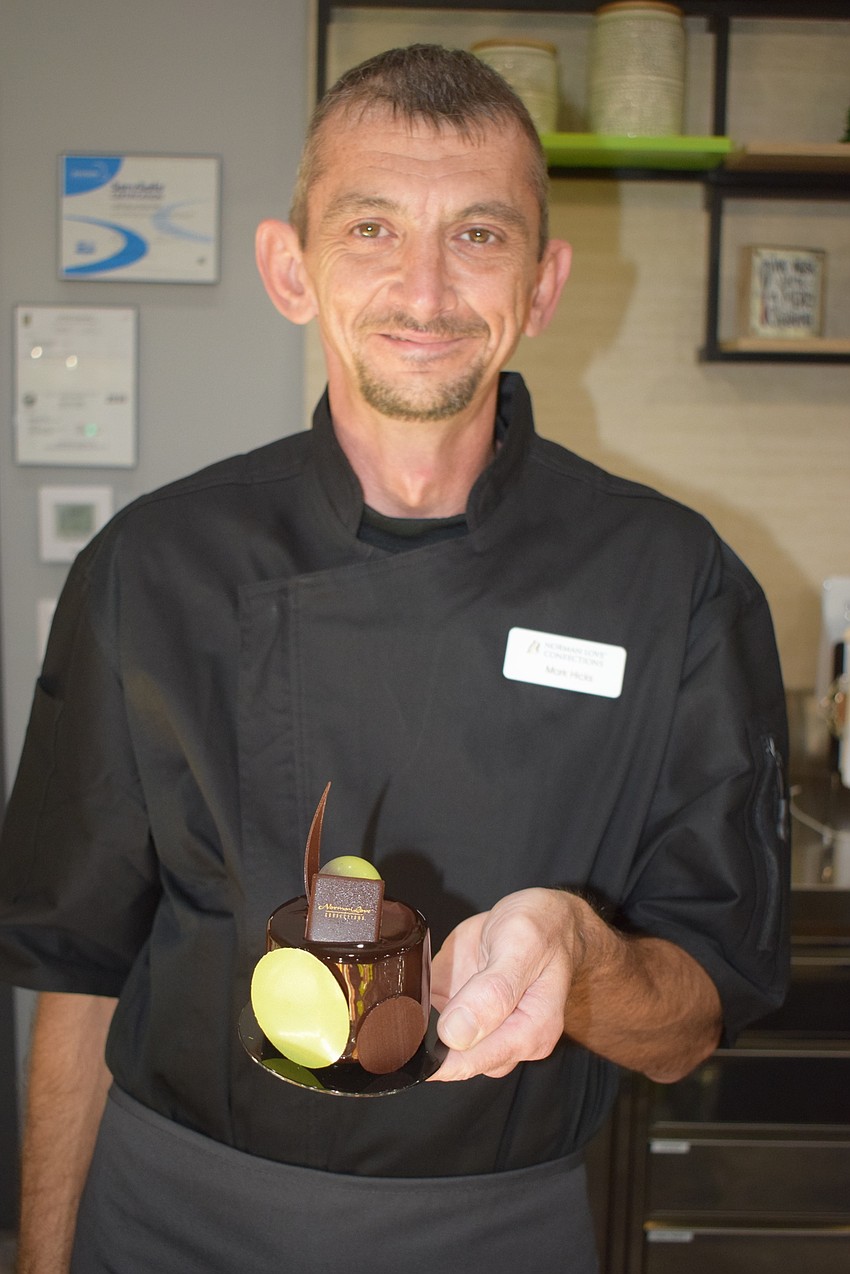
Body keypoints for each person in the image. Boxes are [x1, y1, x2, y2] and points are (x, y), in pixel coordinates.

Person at [0, 43, 789, 1274]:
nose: (424, 289)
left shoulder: (673, 581)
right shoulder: (150, 567)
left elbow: (694, 1017)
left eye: (478, 234)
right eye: (371, 227)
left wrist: (581, 963)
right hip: (167, 1215)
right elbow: (83, 967)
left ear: (541, 283)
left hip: (496, 1227)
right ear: (290, 268)